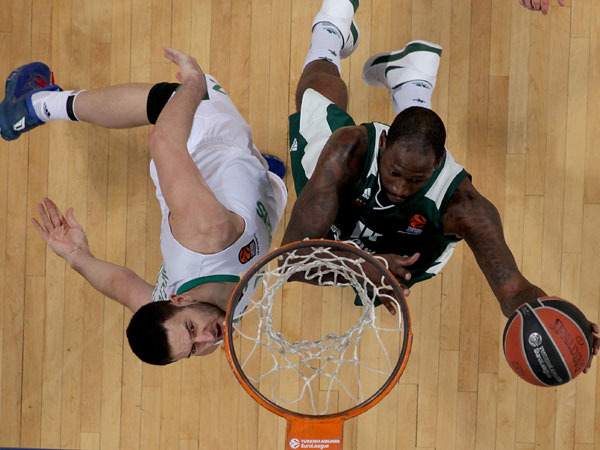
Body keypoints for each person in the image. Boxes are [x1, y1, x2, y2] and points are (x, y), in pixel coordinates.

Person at [282, 0, 599, 371]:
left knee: (409, 167)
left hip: (409, 243)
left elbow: (514, 292)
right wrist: (359, 264)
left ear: (439, 163)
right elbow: (291, 258)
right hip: (347, 201)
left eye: (417, 179)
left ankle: (412, 82)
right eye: (394, 172)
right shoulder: (346, 151)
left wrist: (556, 321)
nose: (401, 188)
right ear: (382, 144)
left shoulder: (467, 209)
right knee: (314, 99)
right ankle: (333, 28)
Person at [0, 47, 287, 365]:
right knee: (264, 190)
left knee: (171, 101)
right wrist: (75, 256)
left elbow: (163, 142)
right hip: (234, 201)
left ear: (180, 299)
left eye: (192, 329)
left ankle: (36, 105)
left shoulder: (208, 233)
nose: (208, 339)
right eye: (193, 350)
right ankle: (263, 176)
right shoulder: (172, 317)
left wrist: (194, 82)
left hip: (205, 142)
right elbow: (122, 285)